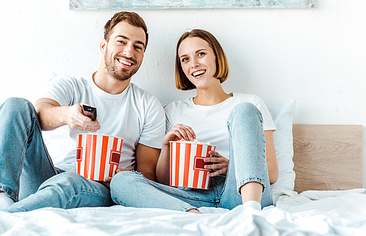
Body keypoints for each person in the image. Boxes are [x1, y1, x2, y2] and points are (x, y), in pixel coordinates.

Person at [0, 11, 165, 212]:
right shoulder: (71, 85)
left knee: (70, 182)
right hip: (46, 176)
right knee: (15, 105)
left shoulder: (148, 105)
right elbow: (40, 114)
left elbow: (147, 173)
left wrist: (120, 178)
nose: (129, 52)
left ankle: (7, 216)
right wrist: (67, 115)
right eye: (121, 41)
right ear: (103, 45)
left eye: (137, 47)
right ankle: (1, 197)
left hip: (98, 188)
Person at [110, 29, 278, 213]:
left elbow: (272, 173)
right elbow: (164, 182)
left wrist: (232, 166)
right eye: (185, 59)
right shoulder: (172, 111)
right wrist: (166, 146)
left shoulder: (251, 103)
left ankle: (251, 214)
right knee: (121, 182)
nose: (194, 64)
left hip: (240, 191)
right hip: (192, 197)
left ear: (216, 56)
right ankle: (193, 216)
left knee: (244, 109)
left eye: (201, 54)